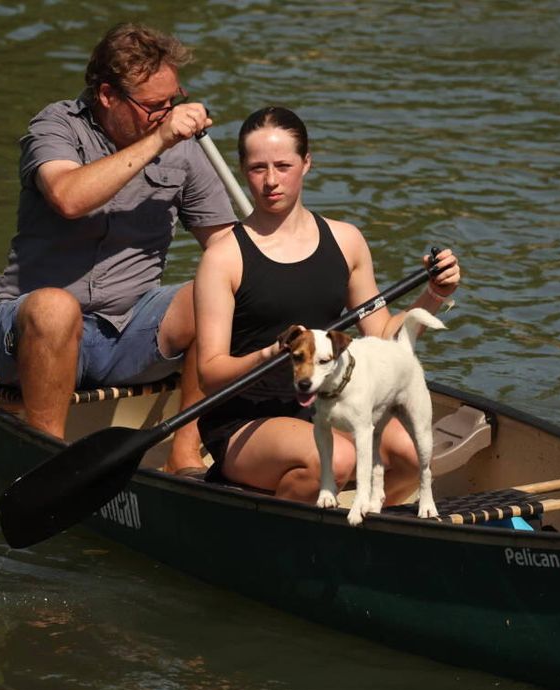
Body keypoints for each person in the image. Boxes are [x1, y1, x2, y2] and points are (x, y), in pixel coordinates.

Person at [0, 22, 237, 473]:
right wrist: (159, 139)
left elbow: (227, 247)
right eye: (154, 107)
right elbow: (68, 197)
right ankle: (48, 458)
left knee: (212, 294)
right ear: (107, 96)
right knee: (56, 308)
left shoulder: (186, 150)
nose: (167, 115)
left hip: (129, 332)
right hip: (32, 332)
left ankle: (185, 452)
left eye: (173, 102)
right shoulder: (56, 126)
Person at [193, 106, 461, 503]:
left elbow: (384, 335)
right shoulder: (224, 256)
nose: (270, 181)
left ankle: (364, 527)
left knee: (409, 455)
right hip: (247, 417)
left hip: (329, 397)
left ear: (307, 163)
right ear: (242, 169)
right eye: (257, 168)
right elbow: (209, 374)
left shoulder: (346, 241)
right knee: (336, 460)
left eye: (283, 166)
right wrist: (270, 353)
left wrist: (435, 294)